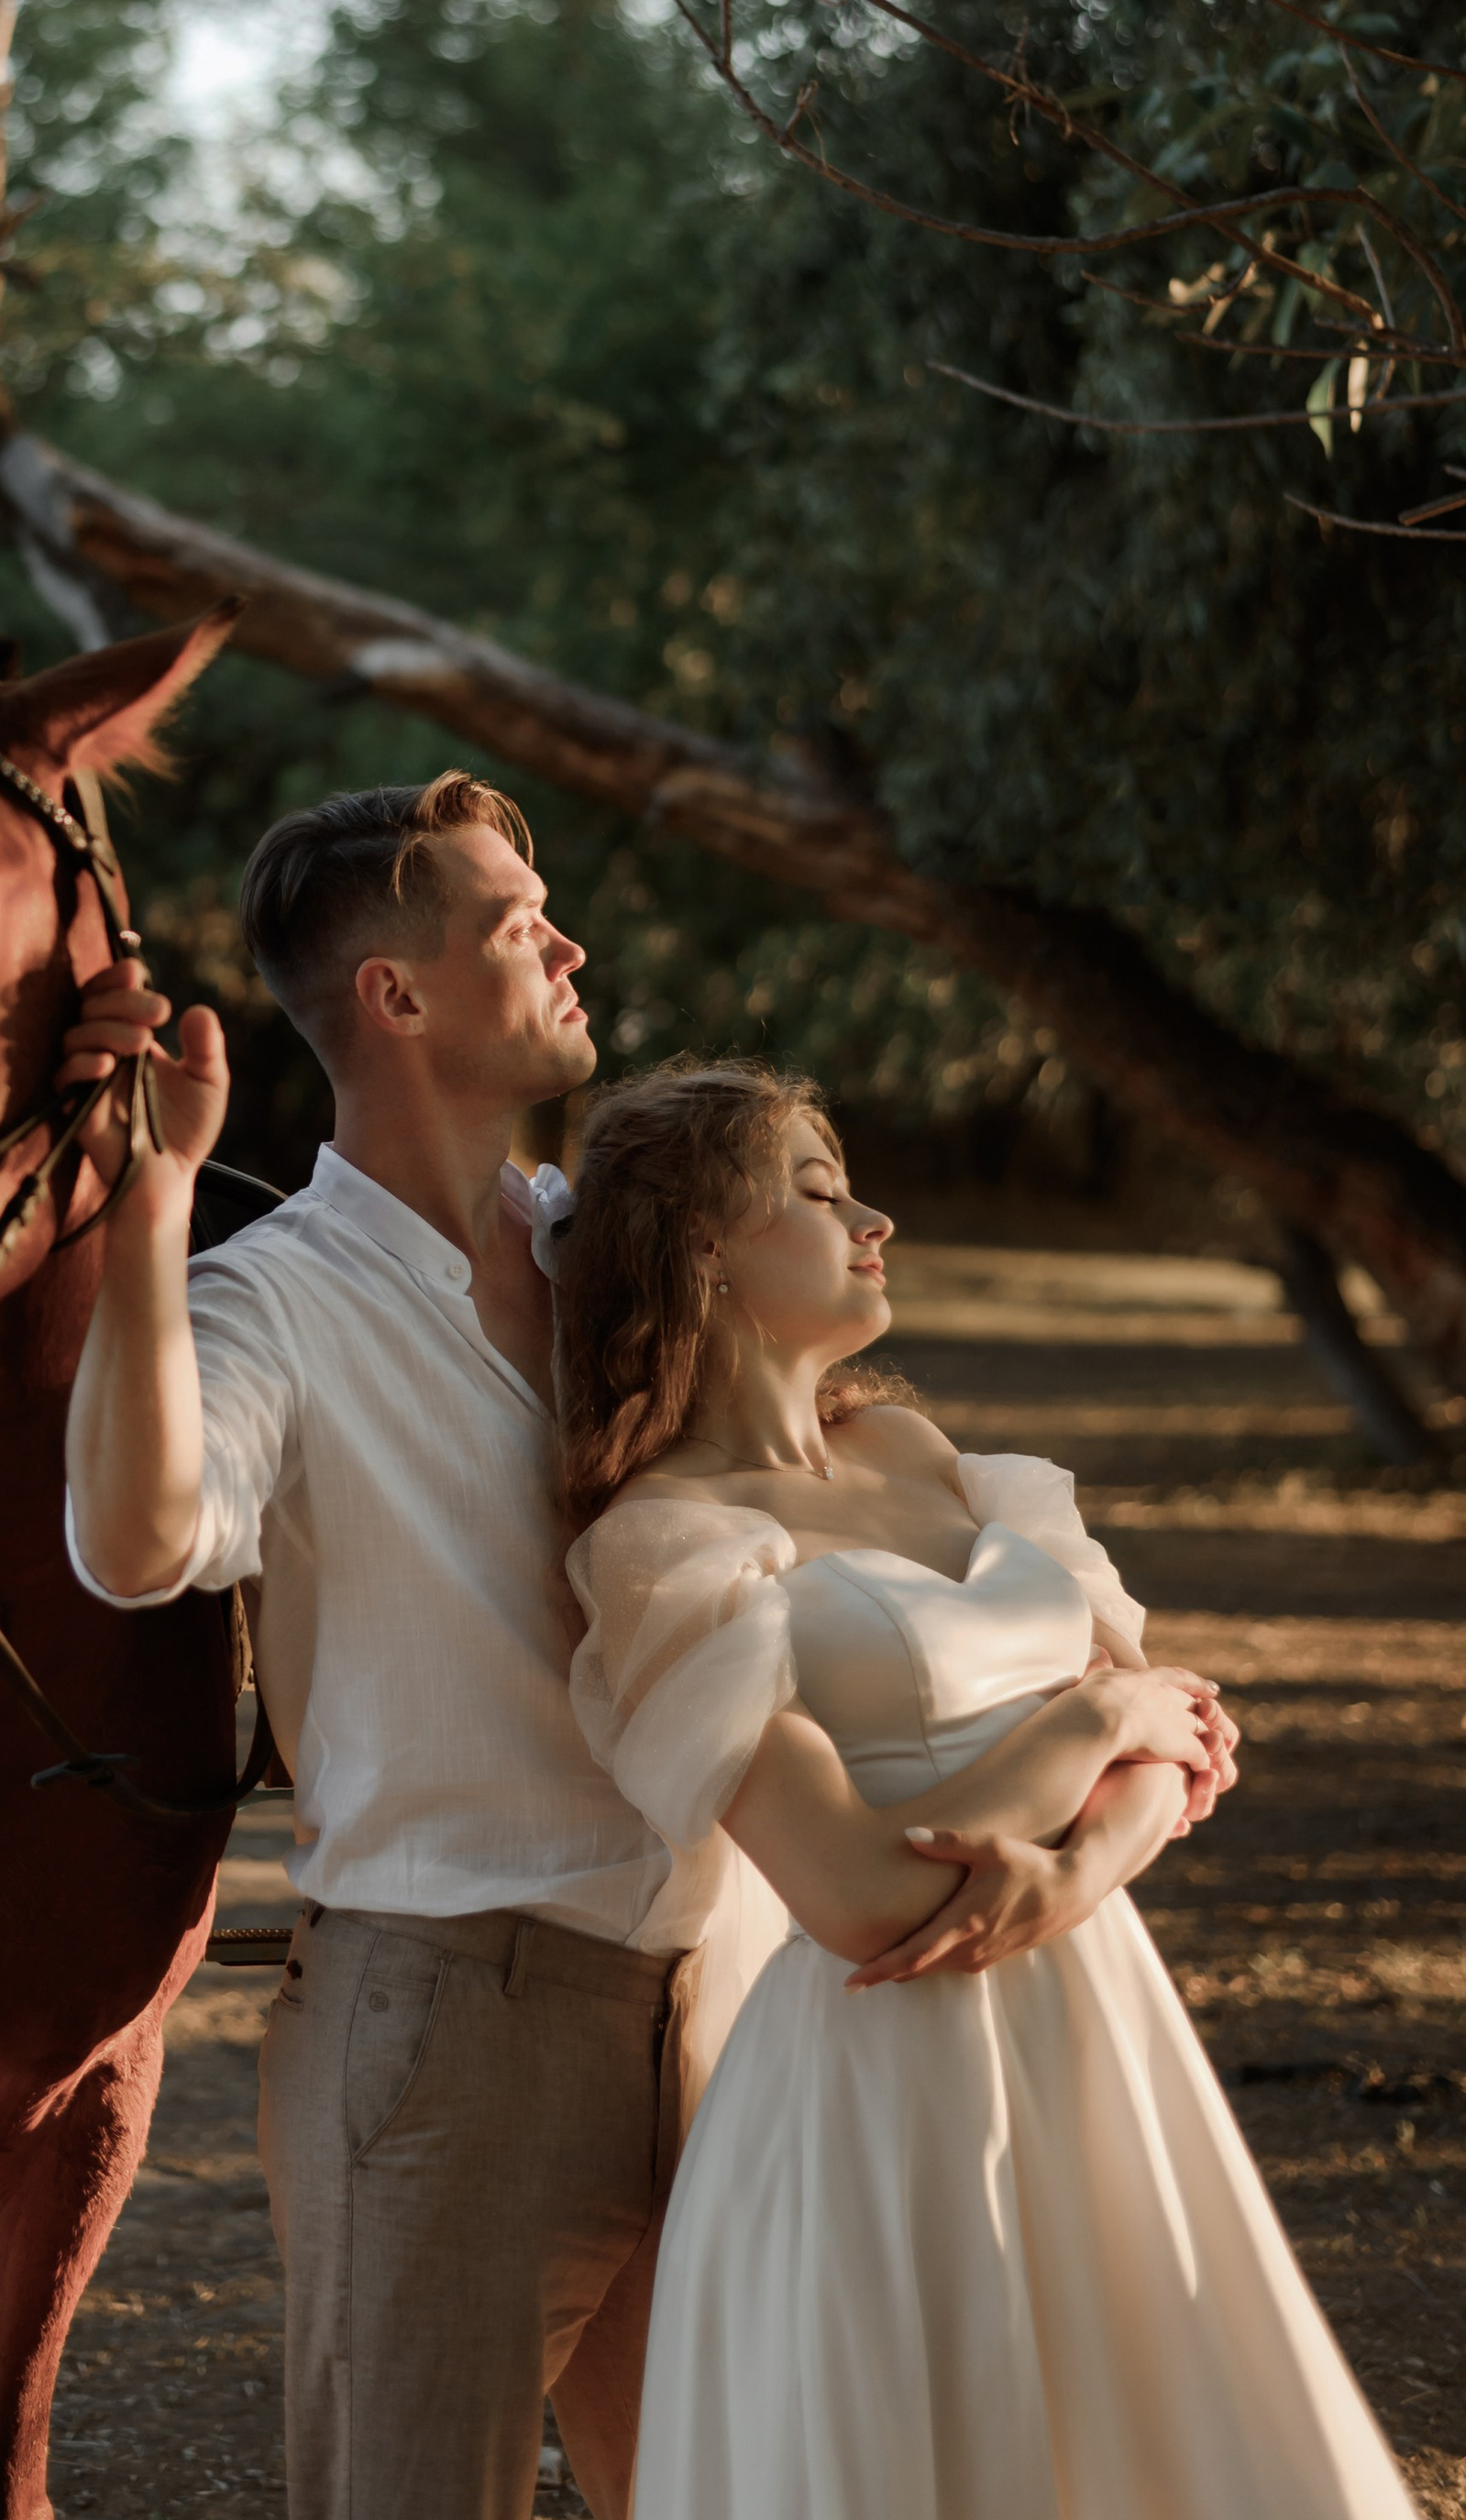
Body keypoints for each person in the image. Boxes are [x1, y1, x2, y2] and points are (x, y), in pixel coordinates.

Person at [59, 780, 1224, 2520]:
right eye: (518, 922)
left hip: (748, 2000)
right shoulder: (269, 1302)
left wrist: (1099, 1776)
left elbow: (848, 1540)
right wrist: (151, 1215)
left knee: (749, 2491)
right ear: (399, 995)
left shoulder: (615, 1256)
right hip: (459, 2022)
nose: (568, 941)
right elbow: (138, 1540)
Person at [560, 1054, 1413, 2520]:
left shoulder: (911, 1447)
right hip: (885, 2070)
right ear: (704, 1245)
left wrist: (1079, 1869)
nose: (872, 1218)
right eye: (819, 1194)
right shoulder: (667, 1542)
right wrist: (1089, 1721)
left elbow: (1180, 1739)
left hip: (1095, 2012)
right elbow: (855, 1894)